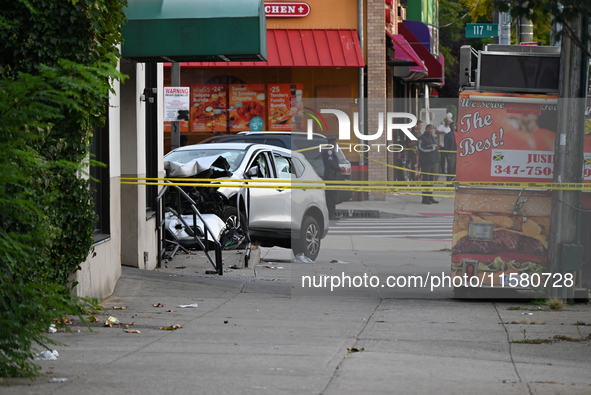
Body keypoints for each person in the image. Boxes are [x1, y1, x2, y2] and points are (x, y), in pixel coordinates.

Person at [418, 124, 440, 205]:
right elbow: (421, 148)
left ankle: (430, 196)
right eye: (429, 129)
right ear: (426, 129)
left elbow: (435, 148)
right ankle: (425, 198)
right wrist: (432, 148)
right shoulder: (422, 138)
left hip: (432, 162)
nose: (430, 130)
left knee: (431, 180)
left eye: (432, 129)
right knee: (426, 180)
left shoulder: (432, 137)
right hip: (425, 162)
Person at [322, 138, 342, 220]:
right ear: (332, 142)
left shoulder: (329, 150)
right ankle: (331, 214)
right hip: (331, 176)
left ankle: (331, 213)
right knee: (331, 196)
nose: (335, 144)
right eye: (335, 142)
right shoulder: (329, 151)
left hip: (331, 175)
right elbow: (330, 163)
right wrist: (338, 168)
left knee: (331, 195)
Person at [435, 113, 453, 177]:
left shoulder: (450, 128)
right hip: (442, 145)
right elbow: (436, 132)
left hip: (449, 146)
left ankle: (449, 170)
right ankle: (442, 170)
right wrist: (443, 132)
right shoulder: (441, 126)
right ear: (444, 121)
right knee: (442, 159)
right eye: (446, 121)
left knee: (449, 159)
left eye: (449, 121)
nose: (447, 122)